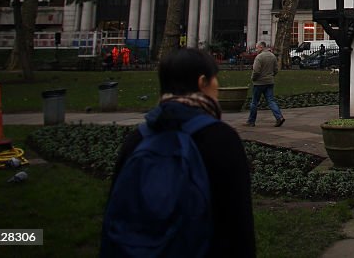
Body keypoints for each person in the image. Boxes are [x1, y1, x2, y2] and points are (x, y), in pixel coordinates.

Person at [102, 48, 255, 258]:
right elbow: (238, 223)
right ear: (203, 83)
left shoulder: (137, 138)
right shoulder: (221, 139)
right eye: (215, 79)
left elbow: (114, 213)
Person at [246, 41, 285, 127]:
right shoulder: (272, 56)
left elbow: (256, 71)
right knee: (271, 101)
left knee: (254, 102)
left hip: (259, 83)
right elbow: (276, 69)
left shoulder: (259, 57)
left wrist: (253, 78)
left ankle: (251, 121)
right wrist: (271, 76)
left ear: (261, 47)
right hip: (269, 82)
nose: (256, 50)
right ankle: (279, 117)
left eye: (257, 48)